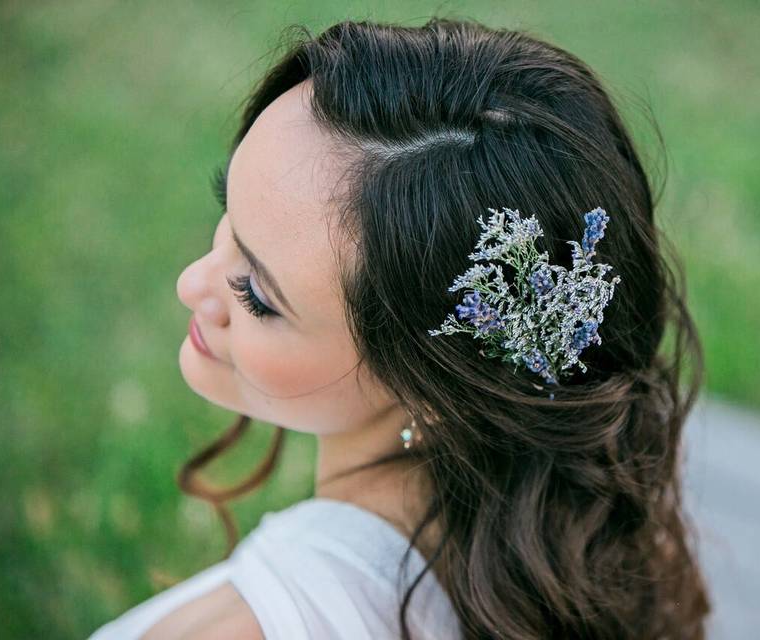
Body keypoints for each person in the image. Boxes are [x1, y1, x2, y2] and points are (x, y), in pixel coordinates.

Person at [89, 16, 711, 640]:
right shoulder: (545, 566)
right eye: (229, 211)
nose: (192, 283)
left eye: (255, 295)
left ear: (432, 386)